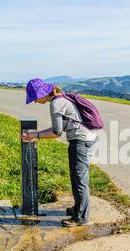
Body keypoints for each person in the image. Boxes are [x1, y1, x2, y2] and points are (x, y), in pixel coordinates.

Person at [22, 78, 99, 227]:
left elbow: (57, 132)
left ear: (42, 94)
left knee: (79, 179)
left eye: (35, 98)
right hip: (88, 138)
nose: (35, 102)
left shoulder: (56, 104)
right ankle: (78, 209)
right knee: (78, 177)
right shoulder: (61, 97)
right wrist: (37, 133)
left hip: (81, 142)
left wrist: (36, 136)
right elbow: (61, 127)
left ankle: (80, 218)